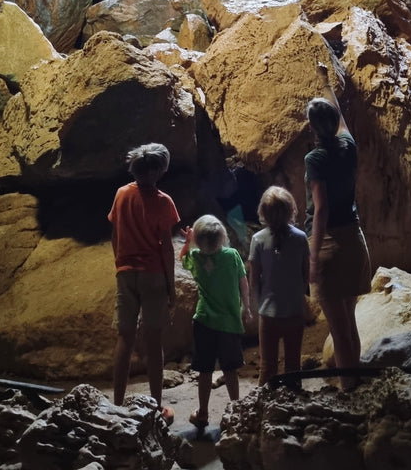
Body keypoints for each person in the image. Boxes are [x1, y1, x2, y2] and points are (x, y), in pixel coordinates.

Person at [305, 62, 372, 389]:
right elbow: (342, 118)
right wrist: (326, 82)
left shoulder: (315, 160)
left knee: (338, 327)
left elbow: (321, 210)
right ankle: (354, 382)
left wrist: (313, 258)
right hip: (354, 241)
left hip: (330, 243)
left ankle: (348, 391)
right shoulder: (349, 147)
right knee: (350, 323)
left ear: (312, 129)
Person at [108, 143, 180, 423]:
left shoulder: (122, 194)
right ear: (160, 170)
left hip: (126, 273)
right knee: (153, 341)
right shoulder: (164, 202)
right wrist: (171, 287)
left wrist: (120, 263)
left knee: (124, 338)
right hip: (152, 275)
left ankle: (116, 404)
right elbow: (166, 248)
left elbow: (115, 233)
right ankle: (155, 406)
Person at [180, 214, 251, 432]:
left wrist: (188, 240)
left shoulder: (196, 258)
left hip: (204, 323)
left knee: (205, 371)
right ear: (222, 236)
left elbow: (183, 256)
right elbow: (243, 282)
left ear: (198, 241)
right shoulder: (231, 256)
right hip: (229, 323)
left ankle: (202, 413)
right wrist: (246, 307)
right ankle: (235, 411)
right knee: (230, 370)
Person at [249, 185, 310, 386]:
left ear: (263, 212)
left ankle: (265, 407)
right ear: (291, 210)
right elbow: (305, 274)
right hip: (294, 310)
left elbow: (254, 278)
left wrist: (254, 304)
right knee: (293, 365)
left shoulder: (257, 240)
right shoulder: (301, 238)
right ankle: (293, 405)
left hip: (268, 312)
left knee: (268, 367)